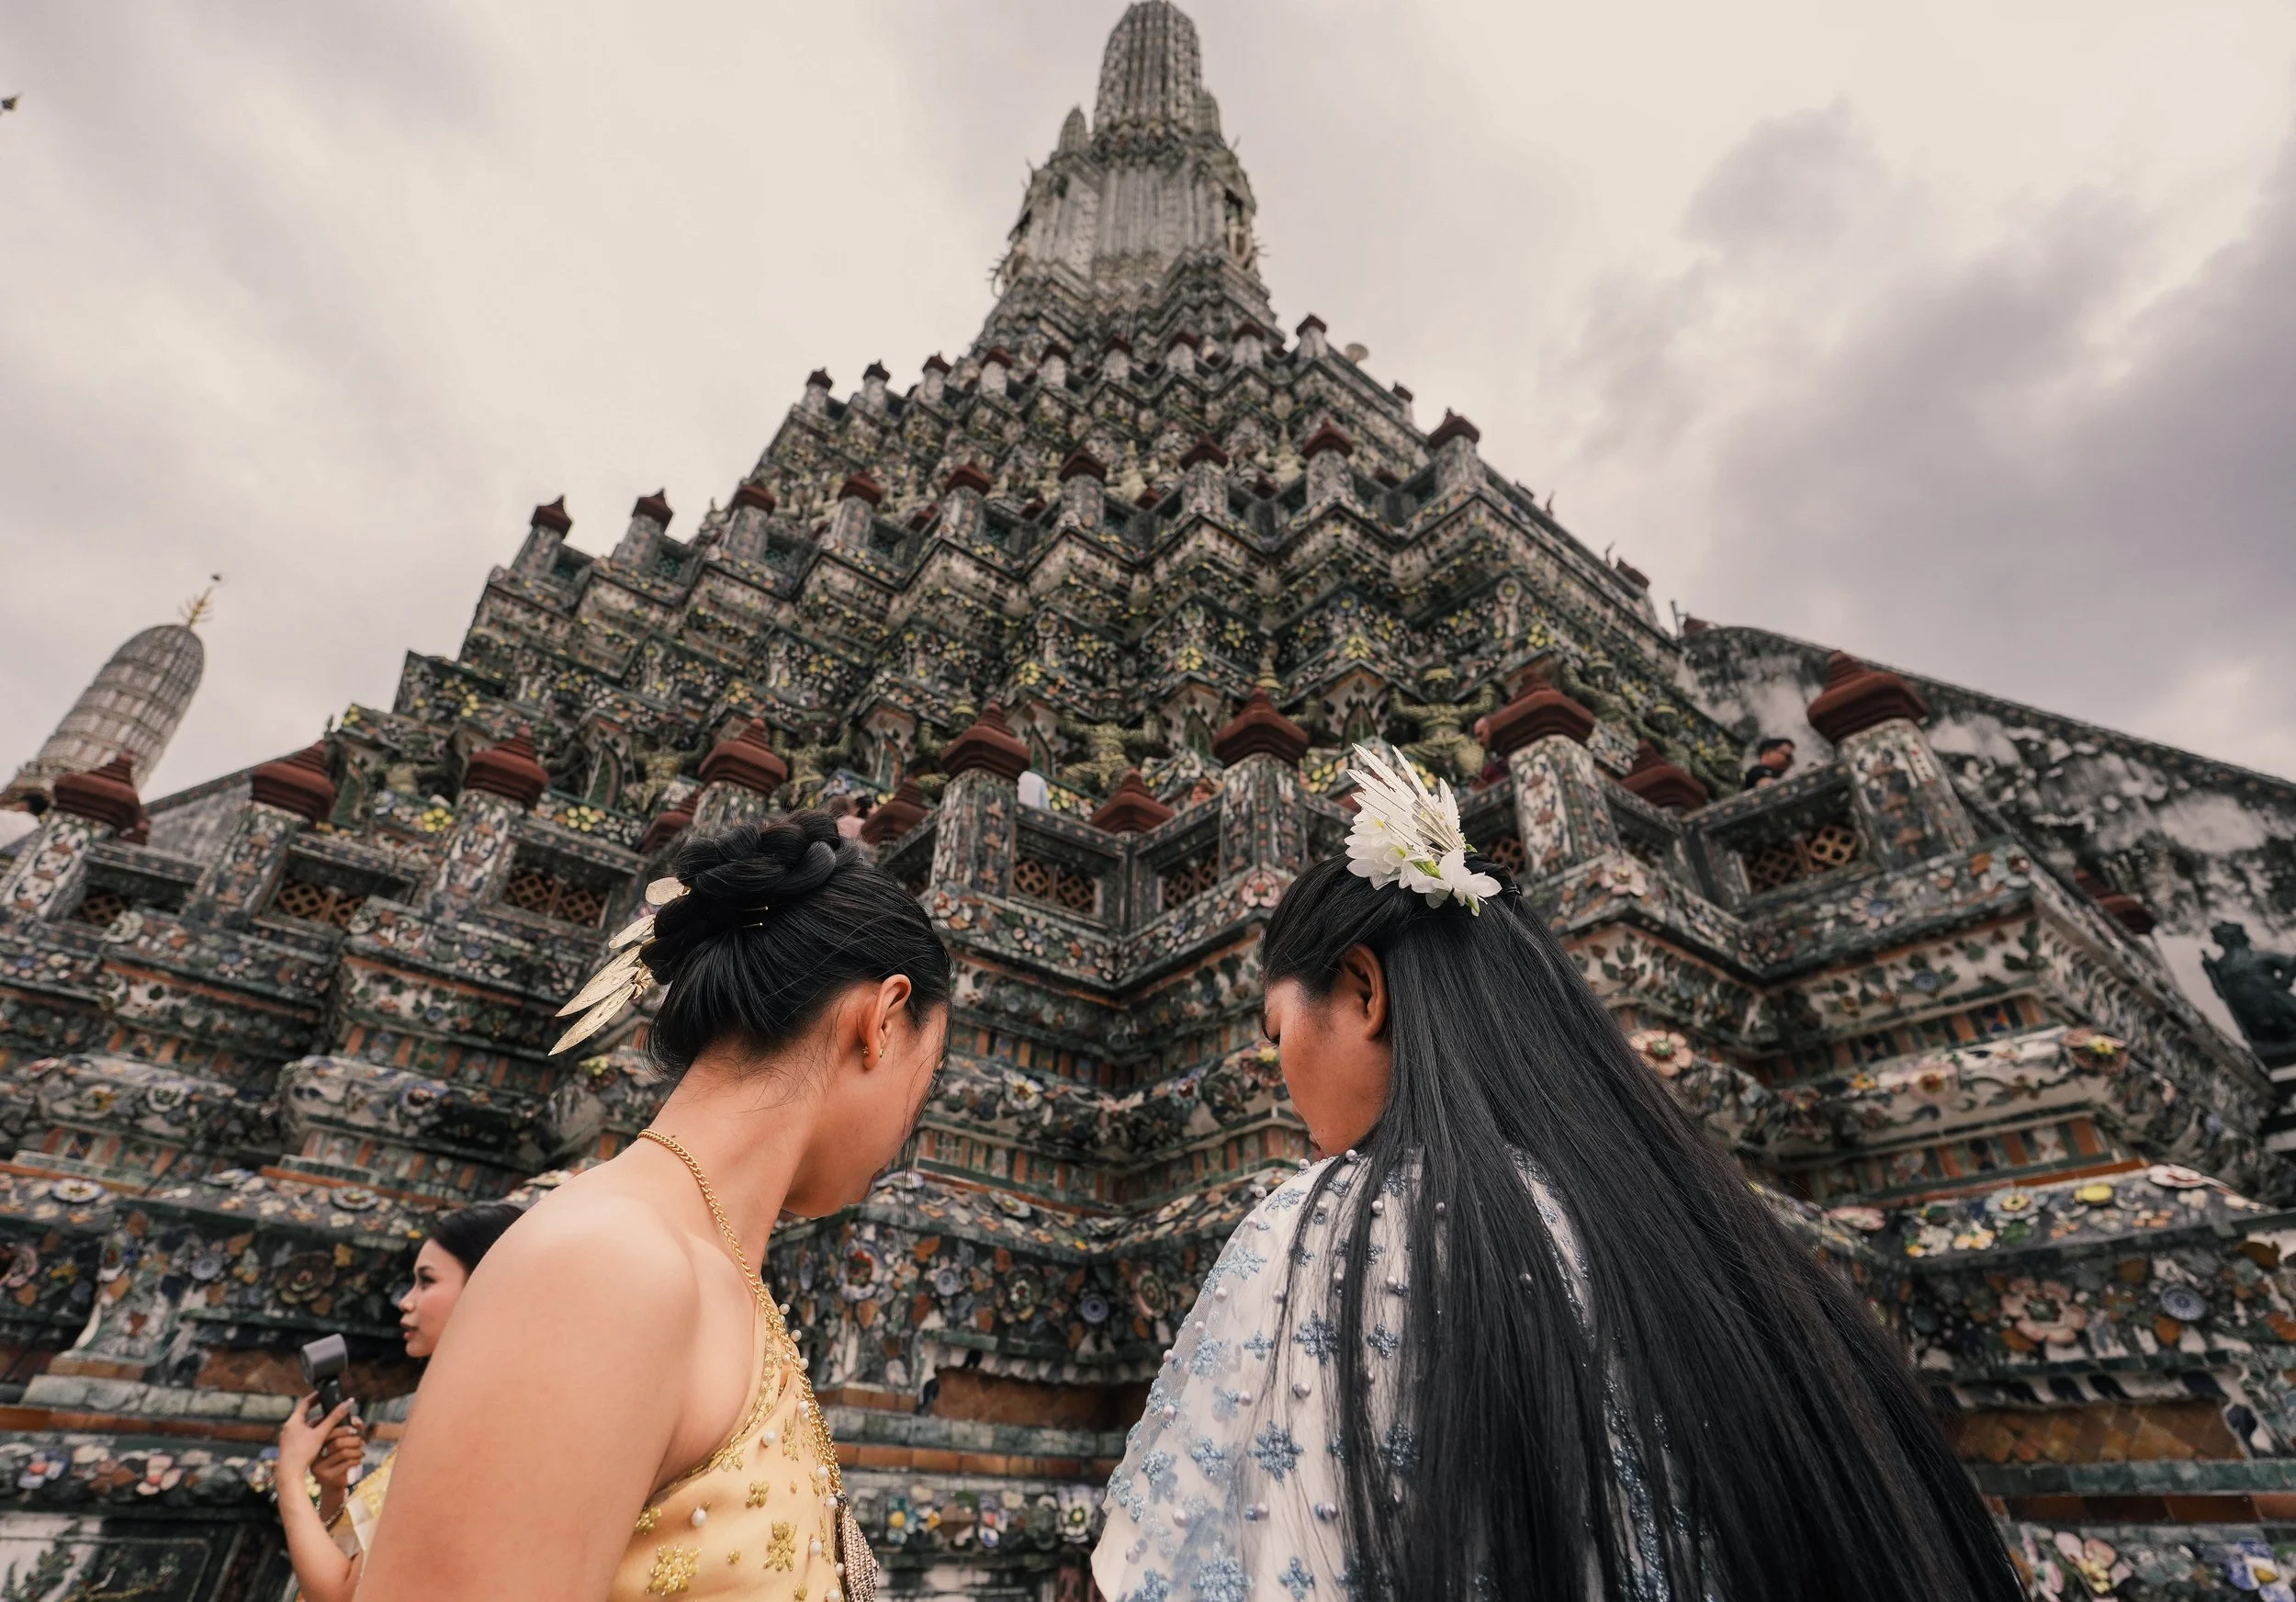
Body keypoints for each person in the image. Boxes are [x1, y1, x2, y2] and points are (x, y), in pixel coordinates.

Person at [1094, 750, 2023, 1602]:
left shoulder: (1327, 1228)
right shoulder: (1704, 1228)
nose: (1280, 1071)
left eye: (1275, 1031)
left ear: (1365, 992)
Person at [357, 812, 951, 1602]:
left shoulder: (711, 1265)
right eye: (929, 1076)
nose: (914, 1123)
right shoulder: (610, 1264)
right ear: (880, 1022)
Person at [274, 1200, 524, 1602]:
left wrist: (288, 1476)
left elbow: (341, 1595)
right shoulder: (469, 1412)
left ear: (486, 1286)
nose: (406, 1302)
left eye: (426, 1282)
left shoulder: (468, 1427)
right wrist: (333, 1490)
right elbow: (346, 1563)